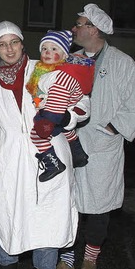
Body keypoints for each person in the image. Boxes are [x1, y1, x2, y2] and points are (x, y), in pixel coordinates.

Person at [0, 20, 81, 269]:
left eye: (14, 42)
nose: (9, 50)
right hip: (9, 163)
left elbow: (78, 102)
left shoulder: (45, 70)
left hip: (50, 158)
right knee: (9, 229)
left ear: (22, 44)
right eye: (2, 45)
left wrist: (66, 118)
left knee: (47, 231)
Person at [56, 4, 135, 269]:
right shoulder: (70, 60)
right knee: (69, 202)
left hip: (103, 145)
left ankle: (90, 258)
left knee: (99, 207)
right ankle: (66, 257)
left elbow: (134, 103)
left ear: (94, 29)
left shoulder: (123, 63)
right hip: (72, 141)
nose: (74, 29)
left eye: (79, 24)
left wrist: (113, 127)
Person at [28, 30, 94, 182]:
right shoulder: (46, 71)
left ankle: (53, 164)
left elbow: (58, 98)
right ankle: (78, 154)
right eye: (44, 48)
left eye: (54, 49)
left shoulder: (61, 75)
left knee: (37, 136)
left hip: (58, 113)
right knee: (67, 130)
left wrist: (47, 121)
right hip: (61, 113)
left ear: (65, 55)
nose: (47, 52)